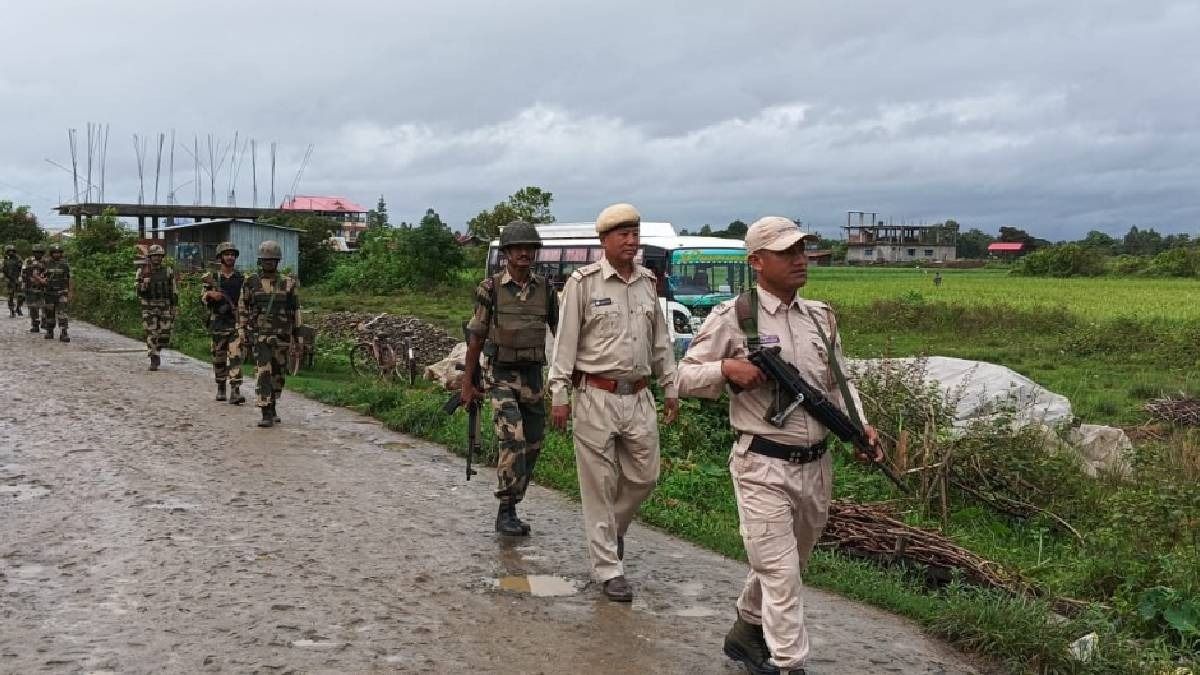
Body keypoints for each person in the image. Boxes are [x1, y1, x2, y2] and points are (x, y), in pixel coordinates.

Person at [677, 217, 883, 675]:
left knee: (789, 564)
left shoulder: (820, 317)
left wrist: (860, 428)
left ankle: (746, 633)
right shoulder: (735, 316)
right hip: (762, 465)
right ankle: (792, 665)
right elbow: (683, 377)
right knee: (781, 574)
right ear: (756, 261)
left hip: (816, 464)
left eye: (802, 250)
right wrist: (727, 371)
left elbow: (839, 383)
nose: (799, 259)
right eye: (787, 252)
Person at [547, 202, 679, 602]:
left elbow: (660, 343)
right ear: (604, 241)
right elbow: (565, 343)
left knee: (645, 476)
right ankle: (608, 568)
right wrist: (559, 393)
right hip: (595, 396)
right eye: (622, 234)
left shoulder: (646, 283)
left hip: (638, 395)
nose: (631, 240)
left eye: (634, 234)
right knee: (599, 485)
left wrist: (670, 385)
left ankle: (614, 530)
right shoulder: (583, 284)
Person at [462, 221, 559, 536]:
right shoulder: (489, 288)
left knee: (533, 444)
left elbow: (562, 335)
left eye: (529, 248)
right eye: (518, 248)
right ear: (505, 253)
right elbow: (476, 337)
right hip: (500, 375)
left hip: (532, 377)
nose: (524, 253)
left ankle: (513, 504)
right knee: (513, 438)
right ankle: (505, 510)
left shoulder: (546, 290)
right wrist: (468, 383)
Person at [238, 240, 301, 428]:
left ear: (278, 261)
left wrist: (298, 337)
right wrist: (242, 330)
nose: (269, 263)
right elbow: (243, 307)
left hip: (282, 337)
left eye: (272, 260)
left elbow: (295, 310)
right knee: (263, 373)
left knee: (278, 375)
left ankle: (273, 404)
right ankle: (265, 410)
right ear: (260, 261)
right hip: (260, 336)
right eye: (265, 260)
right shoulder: (250, 282)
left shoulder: (288, 283)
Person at [201, 242, 246, 404]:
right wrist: (211, 295)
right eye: (227, 254)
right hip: (217, 323)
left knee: (236, 357)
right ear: (220, 257)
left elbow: (246, 300)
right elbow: (203, 298)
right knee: (219, 358)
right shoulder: (213, 278)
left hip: (235, 323)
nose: (230, 257)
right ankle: (221, 386)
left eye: (232, 254)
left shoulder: (241, 279)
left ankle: (235, 390)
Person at [135, 244, 178, 371]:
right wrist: (144, 284)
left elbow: (173, 290)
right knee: (151, 333)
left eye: (159, 256)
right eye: (154, 256)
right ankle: (154, 357)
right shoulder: (142, 271)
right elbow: (138, 291)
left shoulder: (168, 271)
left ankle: (157, 349)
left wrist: (175, 305)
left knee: (165, 334)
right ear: (150, 257)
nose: (157, 258)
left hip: (164, 306)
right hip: (148, 306)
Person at [41, 244, 73, 342]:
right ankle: (49, 331)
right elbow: (40, 275)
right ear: (51, 254)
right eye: (54, 253)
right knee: (49, 313)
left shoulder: (65, 264)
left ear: (61, 254)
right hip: (49, 293)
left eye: (58, 253)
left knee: (62, 313)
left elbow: (70, 278)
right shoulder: (46, 263)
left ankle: (64, 333)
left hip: (62, 292)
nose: (56, 254)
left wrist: (71, 291)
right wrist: (41, 280)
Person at [20, 243, 48, 334]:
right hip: (30, 287)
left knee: (45, 306)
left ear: (42, 253)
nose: (38, 254)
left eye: (40, 252)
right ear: (33, 252)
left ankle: (44, 322)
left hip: (43, 288)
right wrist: (23, 285)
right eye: (36, 252)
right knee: (33, 307)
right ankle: (35, 325)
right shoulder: (28, 261)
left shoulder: (46, 261)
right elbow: (23, 273)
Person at [3, 245, 23, 318]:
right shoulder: (6, 260)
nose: (11, 252)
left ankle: (18, 308)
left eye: (12, 251)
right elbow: (4, 270)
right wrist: (6, 278)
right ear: (7, 252)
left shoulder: (18, 258)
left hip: (17, 279)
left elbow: (21, 268)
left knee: (21, 296)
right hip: (9, 280)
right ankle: (12, 311)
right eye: (9, 251)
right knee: (10, 296)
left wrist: (20, 277)